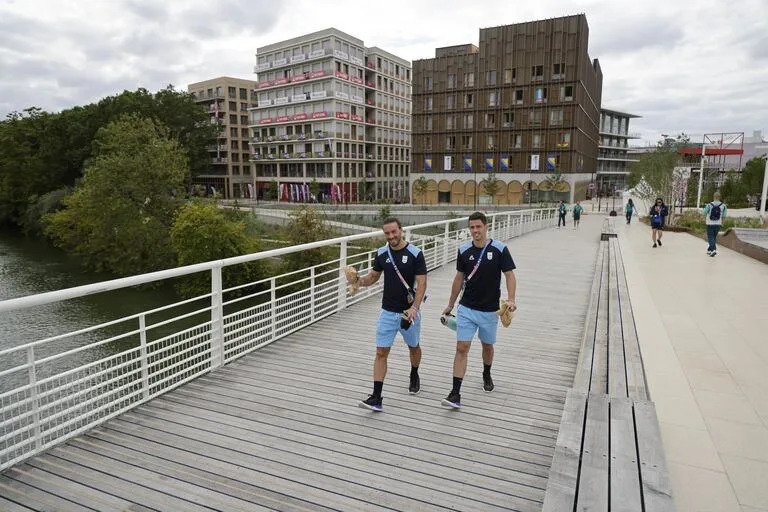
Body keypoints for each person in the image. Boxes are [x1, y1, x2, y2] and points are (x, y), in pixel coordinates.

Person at [346, 218, 427, 412]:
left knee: (414, 347)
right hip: (387, 312)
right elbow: (373, 277)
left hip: (409, 313)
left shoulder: (416, 254)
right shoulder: (382, 253)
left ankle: (414, 373)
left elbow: (422, 284)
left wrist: (415, 307)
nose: (391, 236)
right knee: (381, 352)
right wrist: (358, 281)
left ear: (401, 230)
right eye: (387, 233)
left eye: (394, 232)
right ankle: (376, 397)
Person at [441, 212, 517, 409]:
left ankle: (486, 372)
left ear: (486, 227)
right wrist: (450, 304)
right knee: (461, 348)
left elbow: (509, 275)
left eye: (478, 227)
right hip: (466, 308)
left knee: (487, 346)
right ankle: (455, 393)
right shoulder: (464, 250)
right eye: (472, 227)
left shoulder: (500, 249)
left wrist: (511, 299)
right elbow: (459, 278)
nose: (475, 231)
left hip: (490, 311)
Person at [703, 192, 728, 257]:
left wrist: (704, 220)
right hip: (718, 224)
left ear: (713, 197)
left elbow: (704, 213)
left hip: (710, 223)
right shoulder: (723, 206)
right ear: (720, 197)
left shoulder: (709, 205)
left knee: (710, 237)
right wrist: (722, 223)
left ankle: (713, 250)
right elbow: (724, 216)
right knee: (713, 237)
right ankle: (709, 250)